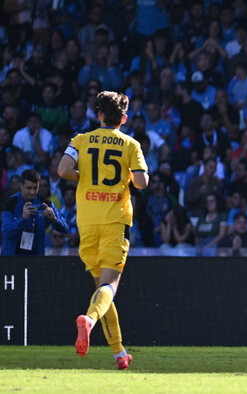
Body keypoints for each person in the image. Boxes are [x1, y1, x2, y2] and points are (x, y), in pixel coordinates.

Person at [57, 91, 149, 370]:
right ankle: (89, 320)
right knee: (110, 287)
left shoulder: (80, 140)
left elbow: (62, 170)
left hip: (86, 221)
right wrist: (129, 176)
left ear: (98, 115)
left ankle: (119, 354)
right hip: (114, 221)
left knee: (101, 289)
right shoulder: (130, 144)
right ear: (124, 118)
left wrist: (84, 176)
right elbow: (142, 183)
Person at [1, 169, 68, 256]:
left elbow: (65, 229)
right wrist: (23, 219)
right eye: (29, 188)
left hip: (36, 259)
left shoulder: (45, 204)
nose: (32, 192)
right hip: (12, 259)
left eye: (35, 188)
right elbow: (7, 233)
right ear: (21, 186)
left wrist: (54, 219)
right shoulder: (10, 203)